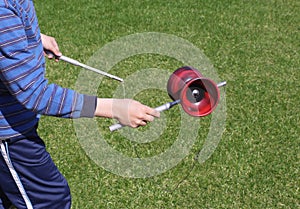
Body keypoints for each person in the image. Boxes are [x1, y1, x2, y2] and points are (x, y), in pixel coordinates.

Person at [0, 0, 160, 208]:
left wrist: (30, 39)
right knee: (49, 200)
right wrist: (114, 108)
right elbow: (34, 93)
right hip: (9, 136)